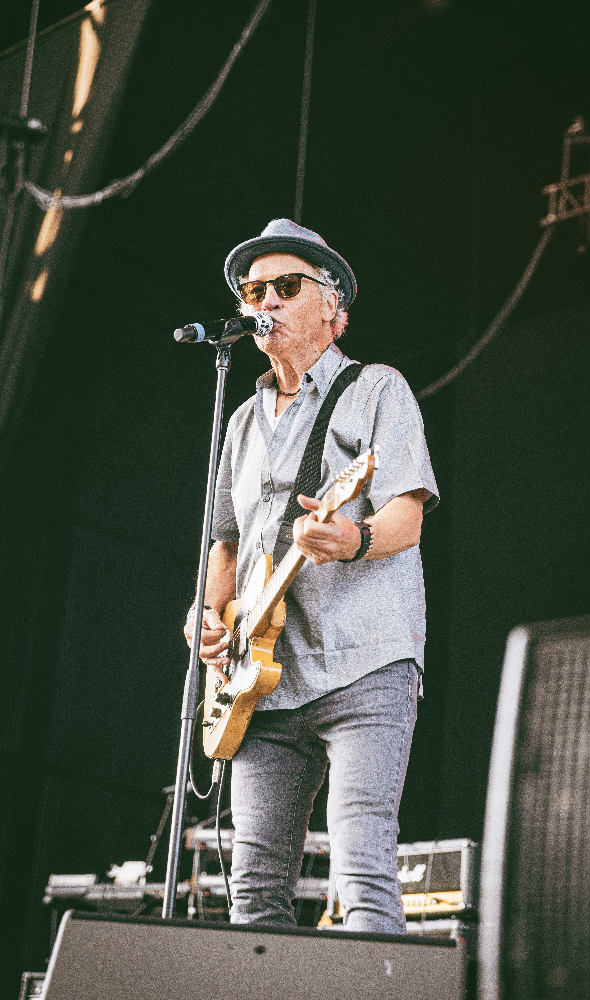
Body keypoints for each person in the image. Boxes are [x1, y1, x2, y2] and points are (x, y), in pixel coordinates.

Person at [184, 218, 438, 934]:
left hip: (363, 661)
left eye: (284, 286)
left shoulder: (375, 390)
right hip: (259, 678)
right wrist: (208, 615)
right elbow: (225, 546)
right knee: (254, 894)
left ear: (333, 308)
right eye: (251, 290)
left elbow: (406, 517)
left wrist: (351, 537)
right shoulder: (238, 422)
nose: (263, 299)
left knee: (361, 875)